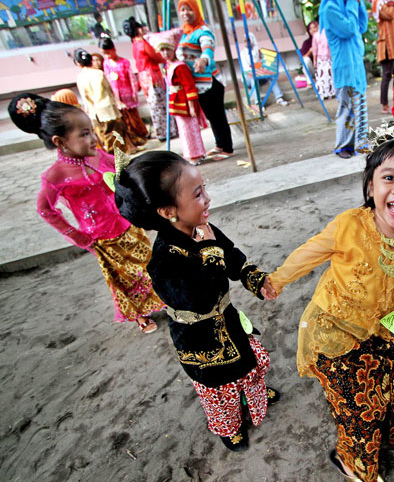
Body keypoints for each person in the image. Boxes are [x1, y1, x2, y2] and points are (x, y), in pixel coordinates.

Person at [267, 120, 394, 482]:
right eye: (389, 177)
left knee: (393, 368)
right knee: (359, 405)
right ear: (371, 184)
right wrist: (276, 279)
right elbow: (310, 251)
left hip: (381, 324)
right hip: (333, 327)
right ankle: (349, 458)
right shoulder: (349, 225)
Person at [114, 150, 280, 451]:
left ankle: (252, 396)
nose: (208, 198)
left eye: (204, 189)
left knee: (246, 361)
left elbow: (231, 257)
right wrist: (209, 253)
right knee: (219, 385)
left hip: (228, 320)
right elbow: (199, 300)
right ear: (167, 211)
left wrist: (253, 279)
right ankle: (230, 427)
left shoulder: (205, 230)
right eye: (198, 193)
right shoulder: (164, 260)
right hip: (200, 339)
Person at [8, 94, 163, 334]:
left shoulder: (100, 156)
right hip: (102, 239)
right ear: (60, 141)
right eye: (84, 134)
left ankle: (164, 299)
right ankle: (140, 314)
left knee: (148, 266)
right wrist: (78, 236)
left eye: (91, 130)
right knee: (125, 279)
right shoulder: (55, 176)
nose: (93, 138)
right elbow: (45, 209)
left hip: (129, 225)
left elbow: (127, 167)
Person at [176, 0, 234, 161]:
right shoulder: (185, 33)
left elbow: (208, 47)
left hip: (210, 82)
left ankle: (227, 148)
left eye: (189, 9)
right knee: (211, 116)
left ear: (196, 10)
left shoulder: (203, 30)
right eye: (182, 9)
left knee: (218, 116)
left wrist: (203, 60)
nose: (185, 13)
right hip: (197, 85)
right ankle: (220, 144)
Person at [320, 0, 369, 159]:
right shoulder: (330, 9)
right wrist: (353, 3)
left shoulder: (350, 5)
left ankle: (360, 143)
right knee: (347, 107)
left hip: (356, 66)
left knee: (360, 105)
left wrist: (358, 2)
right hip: (345, 67)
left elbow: (362, 26)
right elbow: (348, 29)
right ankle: (343, 145)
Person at [73, 49, 145, 154]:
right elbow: (109, 91)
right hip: (107, 107)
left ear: (78, 63)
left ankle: (117, 154)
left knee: (105, 135)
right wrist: (117, 102)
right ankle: (118, 154)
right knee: (115, 133)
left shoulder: (80, 77)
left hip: (94, 110)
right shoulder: (99, 73)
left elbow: (85, 96)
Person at [123, 16, 178, 143]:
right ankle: (167, 131)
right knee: (161, 105)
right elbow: (157, 57)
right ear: (138, 29)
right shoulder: (142, 43)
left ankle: (162, 131)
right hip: (152, 75)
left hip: (144, 77)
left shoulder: (134, 45)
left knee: (155, 106)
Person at [157, 39, 208, 165]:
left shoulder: (180, 66)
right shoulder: (167, 66)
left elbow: (189, 86)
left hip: (184, 102)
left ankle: (195, 154)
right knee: (184, 130)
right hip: (175, 101)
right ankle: (193, 153)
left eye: (167, 49)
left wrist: (191, 106)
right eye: (162, 50)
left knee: (190, 130)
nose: (165, 53)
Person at [100, 37, 149, 141]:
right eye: (104, 53)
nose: (107, 55)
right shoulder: (106, 63)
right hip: (116, 95)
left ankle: (140, 137)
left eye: (108, 52)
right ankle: (131, 140)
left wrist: (134, 94)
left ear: (113, 49)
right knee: (123, 119)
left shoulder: (124, 62)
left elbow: (131, 78)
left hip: (128, 94)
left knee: (133, 117)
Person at [239, 31, 289, 110]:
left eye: (248, 40)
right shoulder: (243, 53)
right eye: (245, 41)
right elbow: (246, 69)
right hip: (248, 78)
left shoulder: (257, 51)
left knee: (271, 76)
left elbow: (262, 64)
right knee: (253, 78)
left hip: (260, 75)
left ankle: (279, 98)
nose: (247, 43)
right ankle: (258, 102)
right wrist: (256, 69)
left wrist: (262, 69)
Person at [311, 24, 335, 100]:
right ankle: (331, 92)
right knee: (329, 76)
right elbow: (315, 49)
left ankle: (325, 93)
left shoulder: (317, 35)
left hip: (323, 58)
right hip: (326, 57)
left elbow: (315, 50)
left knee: (324, 76)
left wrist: (314, 61)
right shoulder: (328, 32)